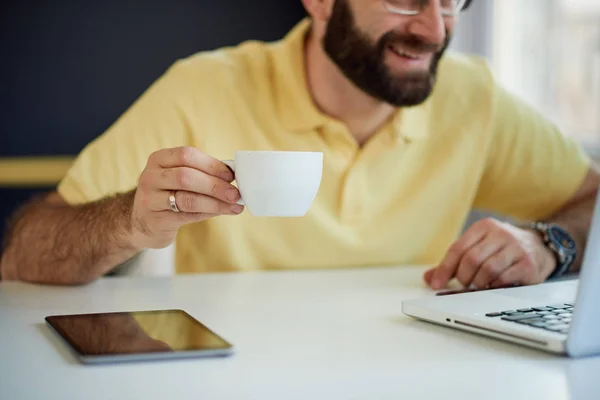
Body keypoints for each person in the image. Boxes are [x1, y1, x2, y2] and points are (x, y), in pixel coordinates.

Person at [1, 0, 598, 289]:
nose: (434, 29)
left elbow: (591, 199)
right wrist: (128, 222)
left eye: (450, 1)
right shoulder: (203, 88)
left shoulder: (475, 98)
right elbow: (23, 253)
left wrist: (551, 244)